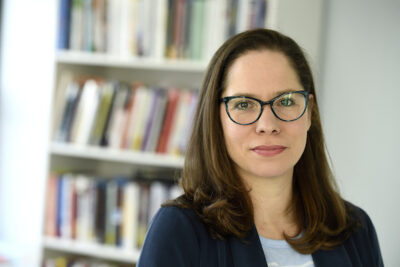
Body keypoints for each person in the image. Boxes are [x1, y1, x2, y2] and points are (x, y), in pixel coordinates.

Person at [137, 29, 384, 267]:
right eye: (244, 104)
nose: (267, 125)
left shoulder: (355, 229)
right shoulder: (179, 231)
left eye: (286, 101)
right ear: (216, 118)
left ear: (309, 112)